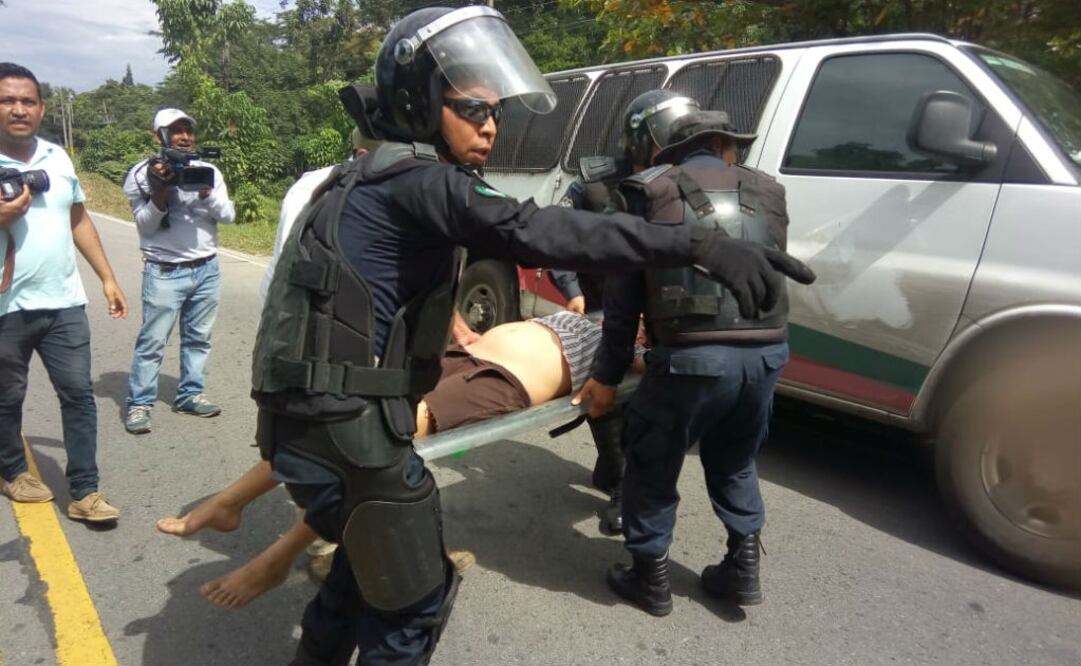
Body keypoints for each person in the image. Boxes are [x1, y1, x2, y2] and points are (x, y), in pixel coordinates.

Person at [253, 7, 813, 665]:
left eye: (494, 113)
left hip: (314, 425)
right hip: (347, 435)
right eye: (470, 109)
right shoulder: (418, 181)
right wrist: (696, 244)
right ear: (419, 101)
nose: (489, 126)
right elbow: (539, 230)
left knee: (357, 572)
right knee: (412, 605)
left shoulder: (364, 176)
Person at [158, 309, 634, 608]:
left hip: (505, 381)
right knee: (338, 424)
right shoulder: (594, 314)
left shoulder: (633, 346)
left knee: (370, 445)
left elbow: (637, 377)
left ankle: (276, 558)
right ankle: (231, 501)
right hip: (464, 352)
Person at [574, 90, 800, 617]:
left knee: (653, 461)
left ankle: (648, 576)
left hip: (690, 362)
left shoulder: (649, 191)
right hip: (767, 356)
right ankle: (742, 570)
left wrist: (606, 378)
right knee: (736, 460)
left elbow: (623, 301)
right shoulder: (769, 190)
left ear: (669, 149)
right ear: (724, 146)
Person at [0, 62, 127, 522]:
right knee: (6, 397)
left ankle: (86, 491)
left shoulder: (58, 157)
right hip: (5, 307)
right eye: (7, 100)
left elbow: (78, 219)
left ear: (41, 107)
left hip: (64, 303)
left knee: (78, 395)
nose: (18, 109)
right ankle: (14, 471)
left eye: (27, 101)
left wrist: (107, 278)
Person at [122, 108, 235, 434]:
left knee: (199, 339)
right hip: (164, 271)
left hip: (207, 269)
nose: (184, 136)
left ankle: (190, 394)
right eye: (176, 131)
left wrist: (206, 193)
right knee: (152, 342)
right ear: (159, 136)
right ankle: (139, 404)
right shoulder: (143, 175)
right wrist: (160, 193)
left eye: (188, 130)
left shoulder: (208, 171)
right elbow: (144, 227)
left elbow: (228, 215)